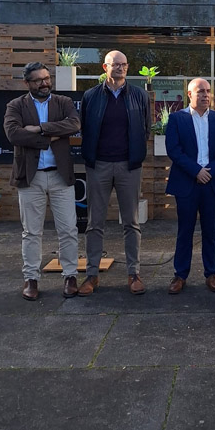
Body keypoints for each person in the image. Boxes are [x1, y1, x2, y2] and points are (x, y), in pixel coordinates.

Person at [3, 62, 81, 301]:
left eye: (47, 78)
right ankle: (31, 278)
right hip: (31, 176)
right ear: (27, 83)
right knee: (31, 232)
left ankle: (70, 276)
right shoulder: (16, 105)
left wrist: (39, 129)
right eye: (38, 80)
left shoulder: (63, 102)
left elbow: (74, 124)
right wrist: (51, 138)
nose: (44, 83)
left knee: (68, 229)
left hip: (60, 175)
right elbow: (14, 134)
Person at [78, 50, 151, 296]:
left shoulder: (139, 95)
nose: (120, 68)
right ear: (105, 67)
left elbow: (145, 128)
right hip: (98, 165)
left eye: (124, 64)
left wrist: (136, 155)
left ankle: (134, 273)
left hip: (128, 166)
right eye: (116, 64)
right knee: (94, 223)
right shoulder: (91, 96)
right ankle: (92, 275)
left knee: (131, 222)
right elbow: (85, 128)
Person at [165, 78, 215, 294]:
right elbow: (174, 150)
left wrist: (210, 171)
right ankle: (180, 275)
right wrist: (196, 171)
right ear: (189, 94)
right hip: (187, 183)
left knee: (210, 230)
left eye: (208, 91)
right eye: (200, 91)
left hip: (212, 183)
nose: (205, 95)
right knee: (185, 230)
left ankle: (212, 273)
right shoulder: (177, 119)